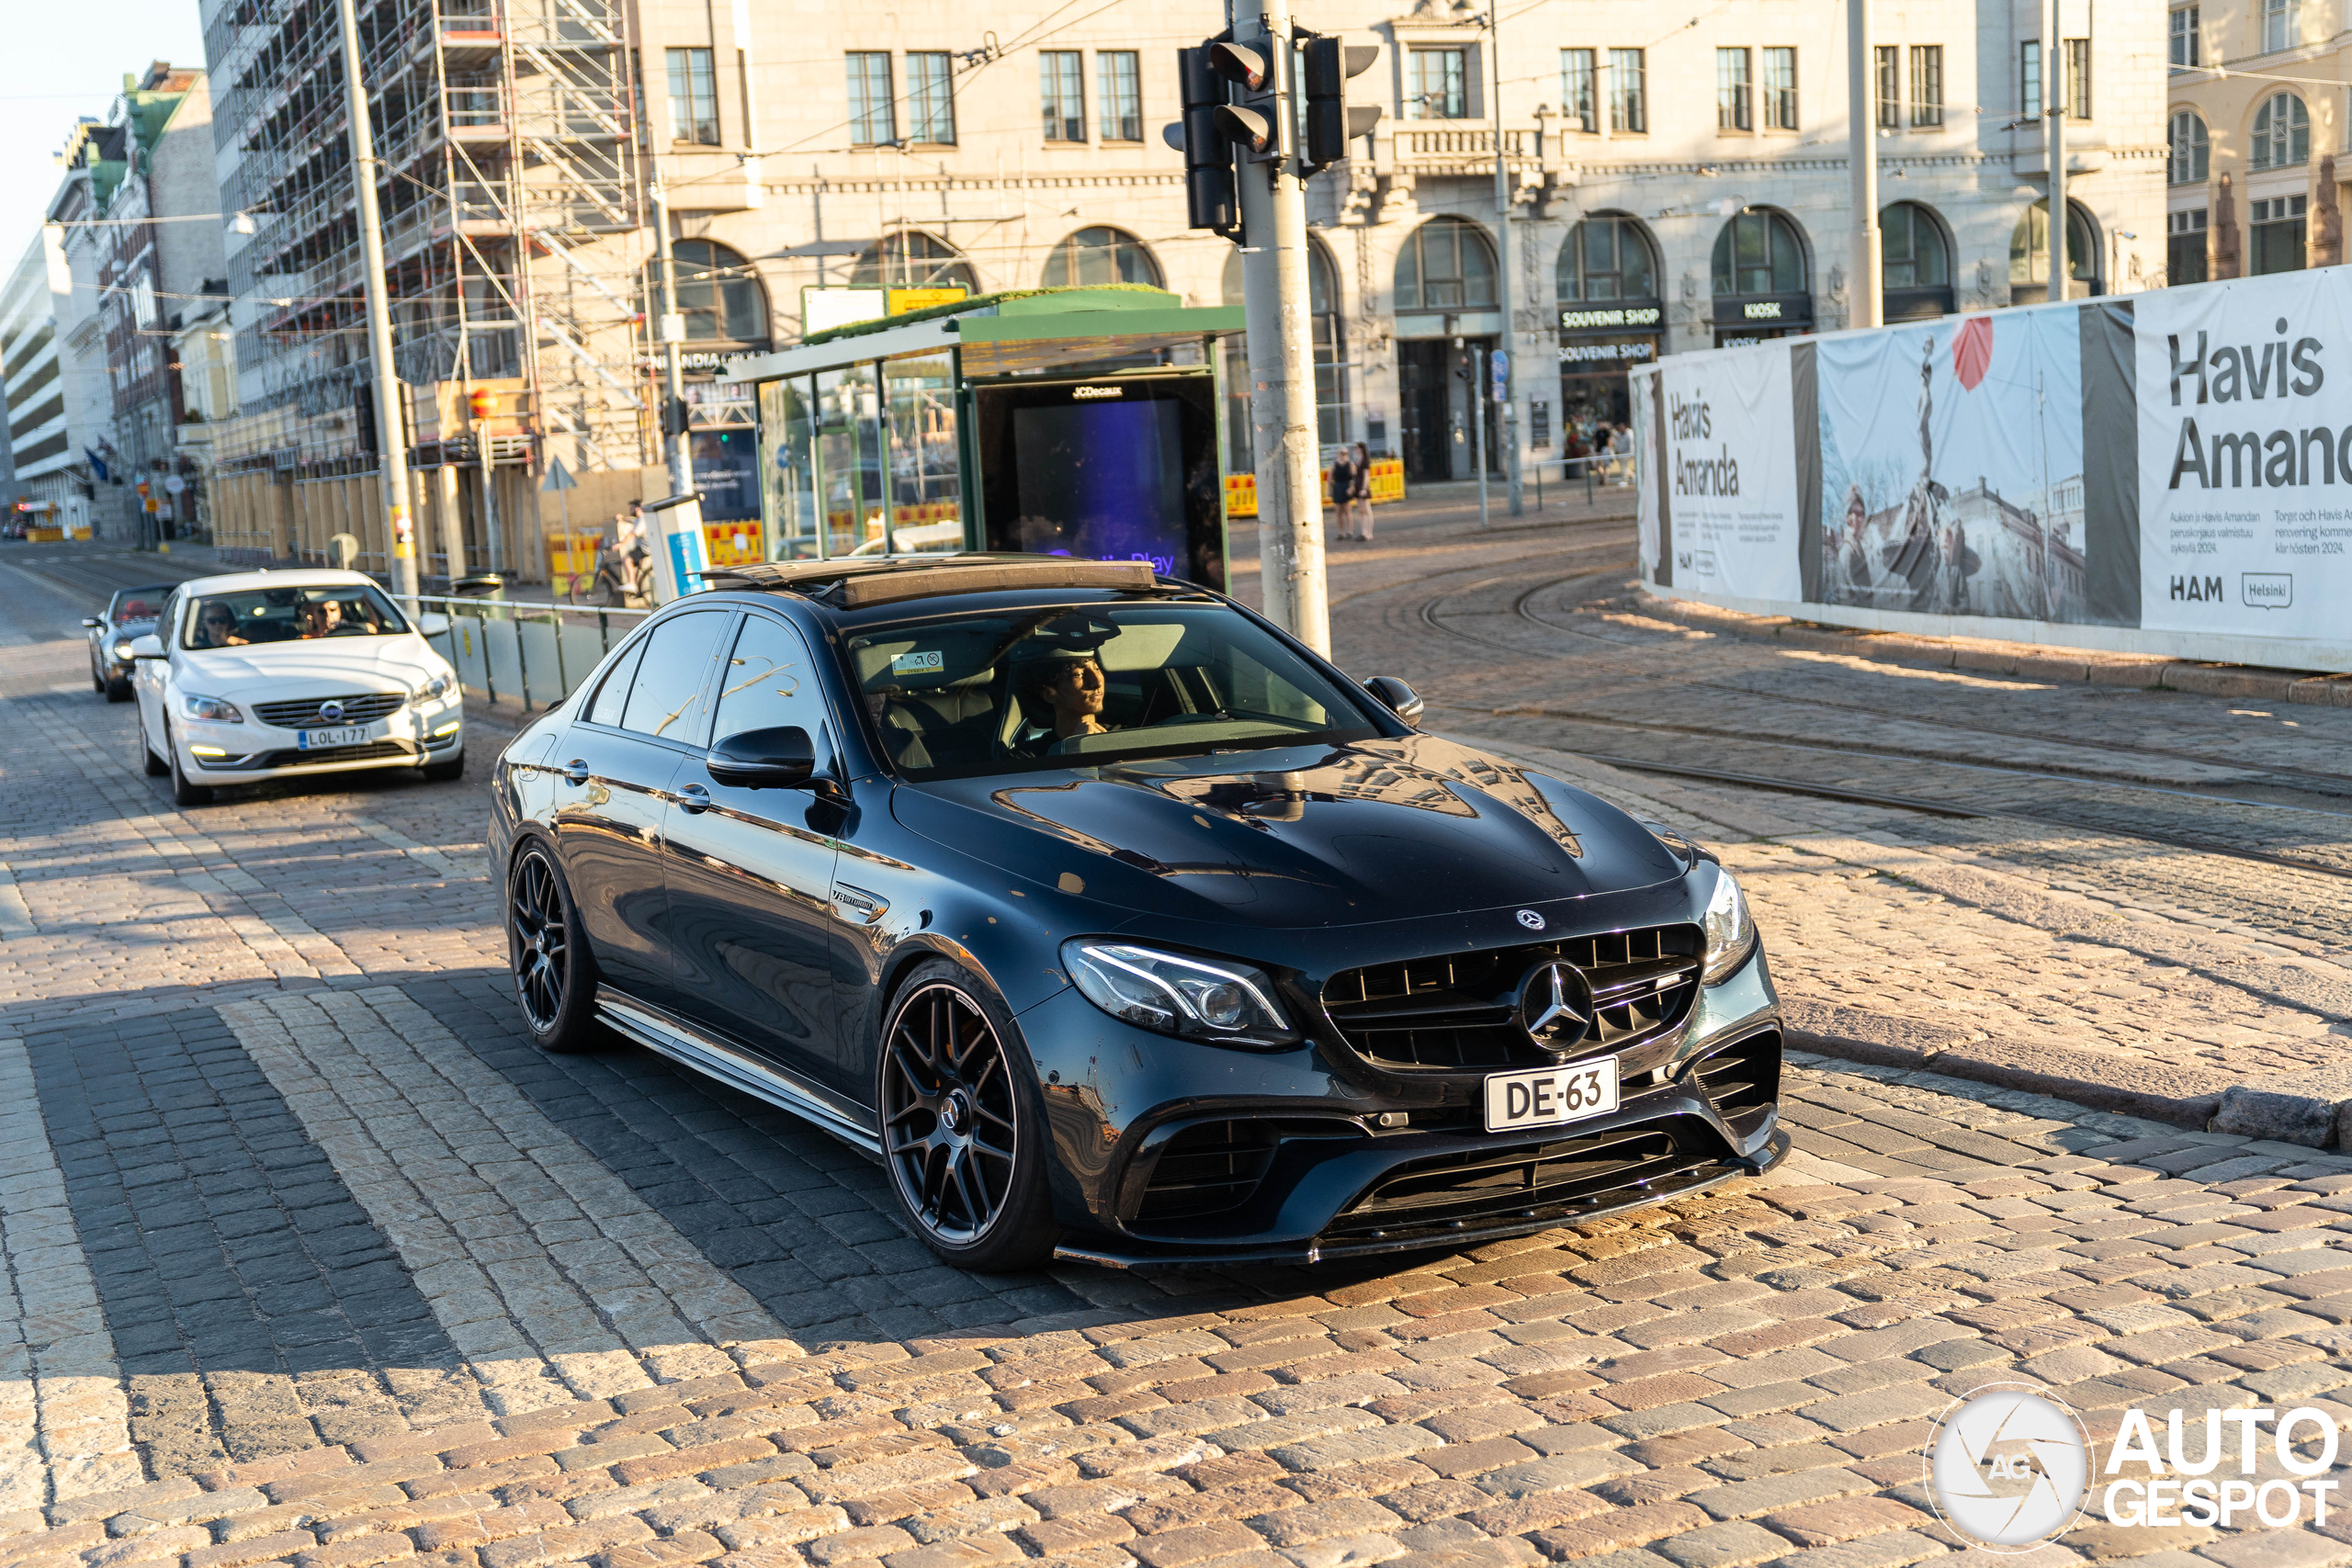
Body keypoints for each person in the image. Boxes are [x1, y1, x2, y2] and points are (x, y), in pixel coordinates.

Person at [1012, 648, 1113, 750]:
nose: (1097, 682)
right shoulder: (1030, 758)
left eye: (1097, 669)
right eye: (1078, 674)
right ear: (1048, 694)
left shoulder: (1124, 738)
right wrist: (1075, 747)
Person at [1329, 446, 1359, 540]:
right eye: (1341, 453)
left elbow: (1354, 477)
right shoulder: (1334, 465)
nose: (1343, 455)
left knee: (1347, 510)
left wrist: (1352, 488)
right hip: (1338, 486)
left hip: (1346, 486)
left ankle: (1349, 532)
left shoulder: (1350, 464)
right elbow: (1330, 478)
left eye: (1345, 454)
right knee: (1338, 511)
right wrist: (1329, 490)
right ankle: (1341, 532)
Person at [1347, 442, 1374, 541]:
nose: (1356, 450)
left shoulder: (1365, 461)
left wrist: (1364, 488)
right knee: (1361, 510)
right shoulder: (1357, 460)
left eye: (1358, 448)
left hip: (1363, 486)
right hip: (1358, 485)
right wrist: (1352, 487)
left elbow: (1366, 475)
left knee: (1367, 509)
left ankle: (1369, 532)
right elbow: (1355, 476)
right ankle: (1363, 532)